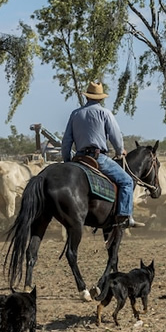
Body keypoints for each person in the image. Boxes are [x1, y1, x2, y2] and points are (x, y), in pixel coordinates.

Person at [61, 80, 141, 228]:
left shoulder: (75, 114)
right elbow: (115, 136)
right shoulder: (105, 113)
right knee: (127, 181)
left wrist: (67, 161)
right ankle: (124, 216)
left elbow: (66, 141)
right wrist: (120, 151)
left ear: (87, 97)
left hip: (79, 158)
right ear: (101, 98)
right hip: (98, 158)